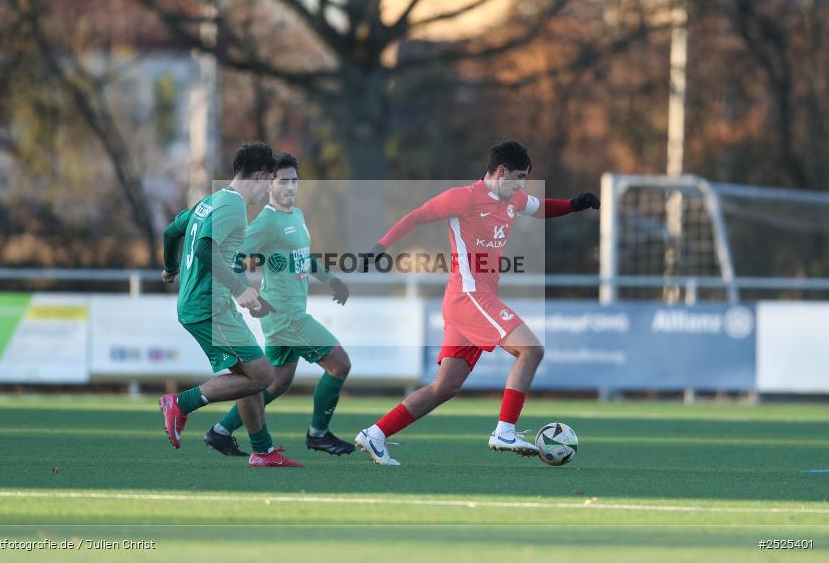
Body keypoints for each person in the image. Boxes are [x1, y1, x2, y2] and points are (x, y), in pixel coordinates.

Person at [355, 140, 600, 465]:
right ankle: (504, 431)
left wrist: (574, 204)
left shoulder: (512, 199)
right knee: (532, 350)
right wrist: (380, 247)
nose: (522, 184)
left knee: (445, 387)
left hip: (473, 301)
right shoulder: (464, 198)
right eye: (519, 176)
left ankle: (375, 434)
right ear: (501, 171)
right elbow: (417, 216)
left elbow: (541, 207)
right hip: (469, 296)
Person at [160, 142, 302, 467]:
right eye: (269, 181)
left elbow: (171, 231)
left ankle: (263, 452)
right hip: (210, 308)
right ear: (259, 175)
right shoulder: (233, 206)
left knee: (248, 374)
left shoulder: (209, 203)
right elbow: (208, 250)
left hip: (207, 306)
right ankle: (180, 404)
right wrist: (240, 289)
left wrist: (171, 266)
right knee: (264, 376)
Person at [205, 152, 355, 457]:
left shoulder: (296, 215)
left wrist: (331, 280)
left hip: (290, 313)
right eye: (283, 181)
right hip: (285, 316)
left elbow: (303, 257)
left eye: (294, 181)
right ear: (269, 184)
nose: (290, 187)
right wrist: (244, 292)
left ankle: (220, 431)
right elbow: (232, 257)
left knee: (276, 383)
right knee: (340, 364)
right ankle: (318, 434)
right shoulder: (266, 222)